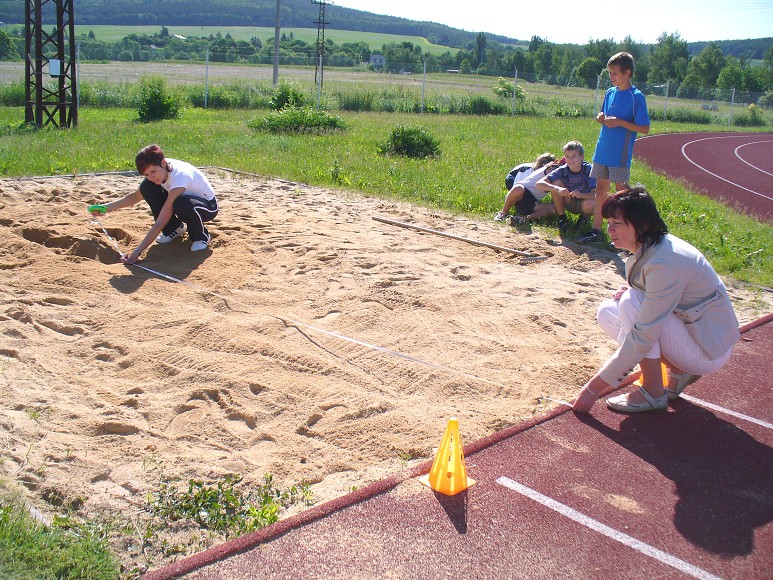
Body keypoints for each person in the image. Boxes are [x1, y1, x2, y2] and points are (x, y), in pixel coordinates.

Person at [572, 187, 740, 414]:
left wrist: (593, 389)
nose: (609, 229)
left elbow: (644, 334)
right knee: (607, 312)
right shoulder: (650, 246)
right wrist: (643, 292)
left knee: (632, 304)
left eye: (617, 223)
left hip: (709, 349)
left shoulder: (664, 262)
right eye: (608, 221)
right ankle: (680, 371)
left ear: (641, 225)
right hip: (693, 332)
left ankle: (653, 392)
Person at [88, 144, 219, 264]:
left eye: (153, 172)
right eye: (146, 174)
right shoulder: (159, 171)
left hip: (207, 206)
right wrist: (106, 208)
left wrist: (138, 251)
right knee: (147, 188)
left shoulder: (180, 177)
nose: (150, 176)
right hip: (184, 201)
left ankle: (201, 236)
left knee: (181, 203)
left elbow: (161, 220)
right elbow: (135, 197)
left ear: (163, 163)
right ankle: (174, 229)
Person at [579, 52, 650, 245]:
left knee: (621, 193)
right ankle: (596, 230)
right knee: (601, 189)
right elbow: (604, 113)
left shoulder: (636, 97)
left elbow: (644, 128)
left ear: (627, 73)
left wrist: (619, 122)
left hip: (619, 153)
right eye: (609, 73)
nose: (611, 77)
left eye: (614, 73)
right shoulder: (610, 93)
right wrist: (601, 117)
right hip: (603, 149)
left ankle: (632, 231)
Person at [533, 141, 596, 231]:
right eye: (567, 156)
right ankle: (562, 218)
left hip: (584, 201)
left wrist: (580, 195)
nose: (570, 160)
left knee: (591, 204)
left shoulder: (590, 170)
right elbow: (539, 184)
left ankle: (584, 219)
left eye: (574, 156)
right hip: (568, 200)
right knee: (556, 183)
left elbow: (596, 195)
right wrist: (557, 188)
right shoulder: (562, 170)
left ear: (582, 157)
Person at [494, 153, 559, 223]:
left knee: (556, 208)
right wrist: (512, 197)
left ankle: (523, 219)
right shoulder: (530, 171)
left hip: (532, 200)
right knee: (518, 188)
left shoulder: (554, 176)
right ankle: (503, 213)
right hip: (513, 180)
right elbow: (517, 185)